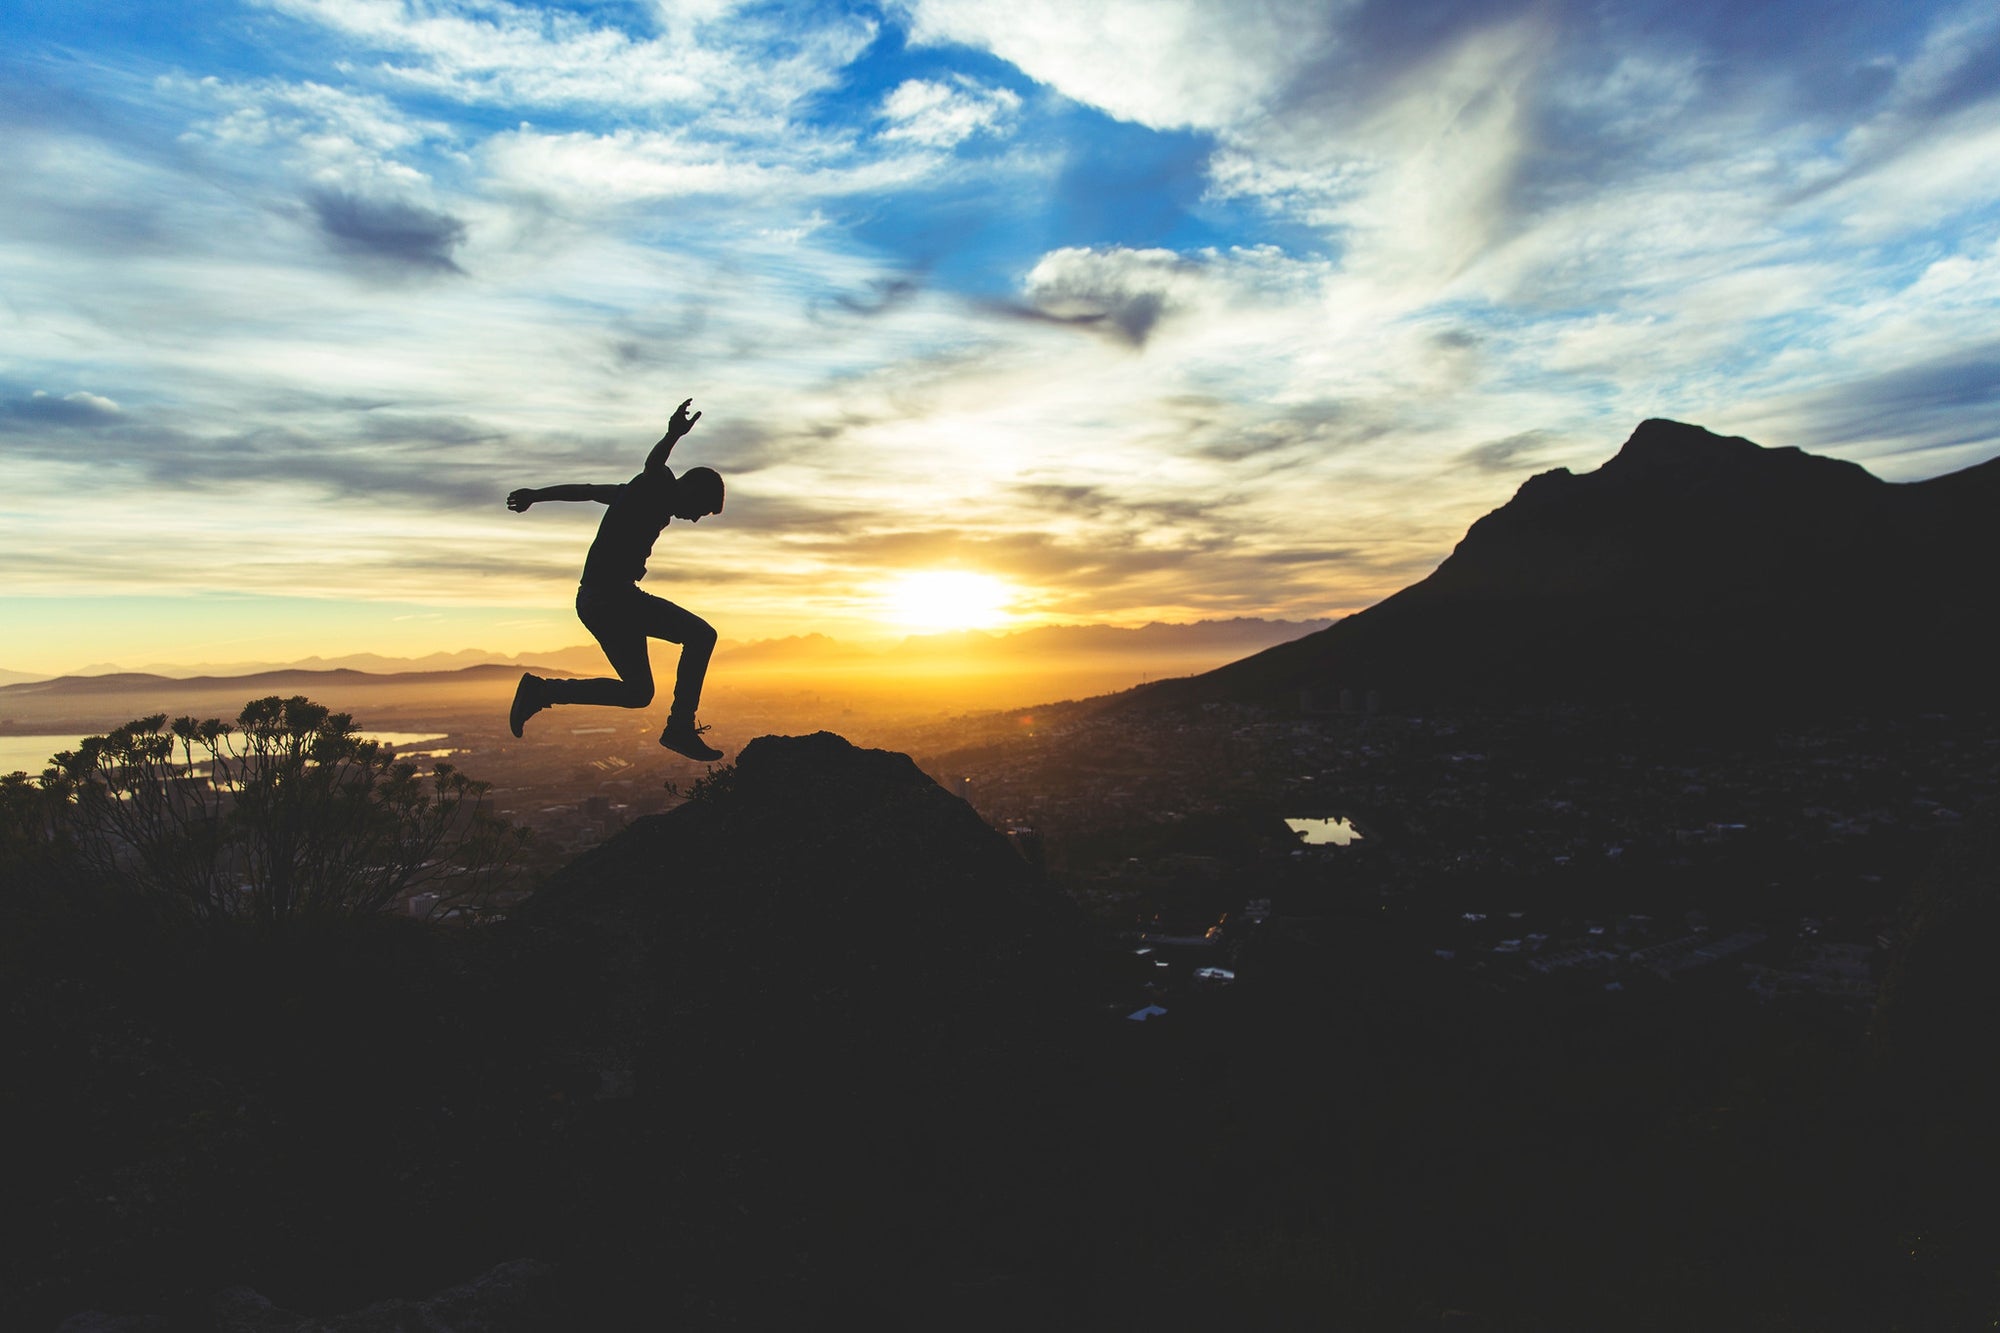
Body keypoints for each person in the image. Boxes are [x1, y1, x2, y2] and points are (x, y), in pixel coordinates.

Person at [505, 398, 726, 762]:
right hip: (612, 599)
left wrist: (536, 495)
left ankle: (540, 692)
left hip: (600, 601)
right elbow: (654, 464)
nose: (696, 519)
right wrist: (672, 435)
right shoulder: (657, 486)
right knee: (702, 635)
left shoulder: (636, 494)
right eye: (700, 510)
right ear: (691, 491)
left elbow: (588, 491)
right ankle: (679, 728)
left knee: (638, 693)